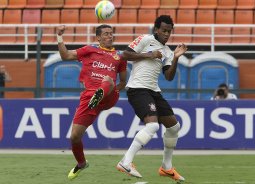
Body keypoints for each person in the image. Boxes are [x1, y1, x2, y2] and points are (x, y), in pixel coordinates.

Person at [116, 15, 187, 182]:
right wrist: (149, 54)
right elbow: (124, 55)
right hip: (138, 89)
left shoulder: (168, 52)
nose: (166, 34)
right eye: (164, 30)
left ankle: (166, 167)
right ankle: (125, 161)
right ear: (156, 29)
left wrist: (176, 58)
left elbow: (169, 77)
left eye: (169, 31)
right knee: (153, 125)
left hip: (154, 91)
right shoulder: (145, 39)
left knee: (174, 127)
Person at [56, 24, 128, 180]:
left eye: (111, 33)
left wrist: (114, 90)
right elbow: (65, 56)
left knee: (108, 79)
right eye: (106, 34)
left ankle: (100, 94)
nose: (110, 36)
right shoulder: (89, 50)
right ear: (98, 37)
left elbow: (123, 81)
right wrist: (59, 37)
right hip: (89, 99)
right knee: (74, 137)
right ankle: (81, 163)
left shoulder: (119, 57)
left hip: (108, 95)